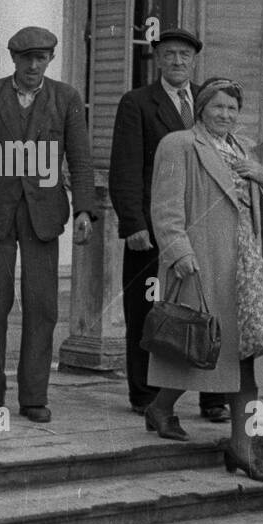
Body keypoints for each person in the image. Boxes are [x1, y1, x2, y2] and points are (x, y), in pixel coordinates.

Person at [0, 26, 97, 423]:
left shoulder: (66, 98)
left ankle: (34, 396)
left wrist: (85, 208)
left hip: (43, 215)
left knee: (43, 306)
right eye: (27, 58)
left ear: (50, 59)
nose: (34, 65)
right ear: (13, 59)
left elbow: (80, 159)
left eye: (42, 58)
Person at [146, 77, 263, 484]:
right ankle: (228, 441)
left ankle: (238, 445)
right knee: (200, 347)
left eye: (232, 109)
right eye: (218, 107)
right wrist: (179, 252)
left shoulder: (243, 149)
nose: (225, 115)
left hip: (244, 263)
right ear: (202, 107)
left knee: (243, 354)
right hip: (203, 260)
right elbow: (165, 206)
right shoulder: (179, 144)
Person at [108, 28, 228, 432]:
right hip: (154, 229)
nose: (178, 62)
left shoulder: (210, 103)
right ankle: (145, 395)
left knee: (210, 309)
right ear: (157, 59)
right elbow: (125, 169)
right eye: (170, 54)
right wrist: (133, 224)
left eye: (185, 55)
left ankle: (214, 396)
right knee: (149, 312)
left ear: (194, 61)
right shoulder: (137, 103)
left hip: (204, 231)